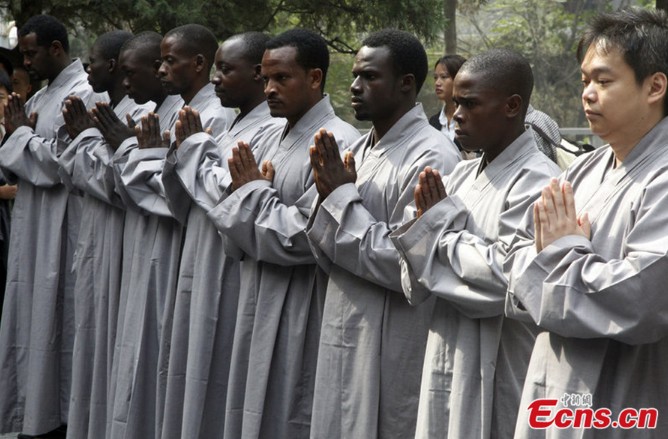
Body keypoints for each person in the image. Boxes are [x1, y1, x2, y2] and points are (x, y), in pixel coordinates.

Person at [505, 7, 668, 437]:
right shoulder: (581, 170)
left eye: (604, 80)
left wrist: (562, 252)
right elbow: (517, 257)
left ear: (655, 86)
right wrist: (554, 261)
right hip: (554, 384)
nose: (588, 94)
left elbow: (641, 299)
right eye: (584, 81)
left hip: (627, 396)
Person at [389, 49, 561, 439]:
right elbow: (413, 269)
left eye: (469, 103)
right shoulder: (460, 176)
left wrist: (439, 234)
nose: (456, 115)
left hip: (500, 359)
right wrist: (429, 233)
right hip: (446, 346)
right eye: (453, 104)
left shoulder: (539, 180)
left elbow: (510, 279)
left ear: (512, 106)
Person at [305, 29, 459, 439]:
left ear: (406, 83)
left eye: (370, 77)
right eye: (355, 75)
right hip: (344, 321)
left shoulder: (432, 156)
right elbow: (325, 238)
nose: (355, 87)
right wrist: (331, 198)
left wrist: (339, 198)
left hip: (393, 332)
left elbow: (406, 262)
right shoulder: (364, 148)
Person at [206, 28, 360, 439]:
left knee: (291, 409)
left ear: (314, 78)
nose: (270, 90)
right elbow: (236, 221)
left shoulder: (338, 142)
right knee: (252, 404)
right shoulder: (272, 137)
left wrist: (253, 195)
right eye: (266, 79)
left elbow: (308, 235)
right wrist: (251, 196)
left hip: (303, 303)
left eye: (282, 79)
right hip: (257, 293)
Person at [109, 24, 233, 439]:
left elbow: (192, 190)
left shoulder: (213, 116)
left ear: (199, 63)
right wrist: (142, 154)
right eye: (159, 61)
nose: (161, 70)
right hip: (161, 247)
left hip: (189, 247)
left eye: (169, 61)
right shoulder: (177, 111)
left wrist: (140, 155)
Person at [158, 31, 284, 438]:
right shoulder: (231, 126)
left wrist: (196, 148)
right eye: (215, 68)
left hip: (229, 266)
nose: (215, 78)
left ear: (257, 74)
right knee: (193, 364)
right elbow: (203, 191)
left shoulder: (268, 130)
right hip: (200, 254)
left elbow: (230, 195)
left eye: (226, 69)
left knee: (221, 366)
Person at [0, 15, 108, 438]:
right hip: (33, 221)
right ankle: (31, 411)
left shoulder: (79, 96)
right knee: (31, 313)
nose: (26, 63)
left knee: (58, 316)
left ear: (57, 49)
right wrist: (20, 136)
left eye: (31, 53)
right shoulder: (43, 94)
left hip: (63, 225)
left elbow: (66, 165)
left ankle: (58, 416)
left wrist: (21, 137)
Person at [57, 30, 153, 439]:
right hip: (97, 234)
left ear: (113, 67)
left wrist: (94, 142)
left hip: (125, 240)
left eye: (92, 60)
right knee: (95, 341)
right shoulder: (107, 109)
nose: (86, 66)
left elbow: (120, 183)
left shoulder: (141, 112)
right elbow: (79, 172)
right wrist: (85, 139)